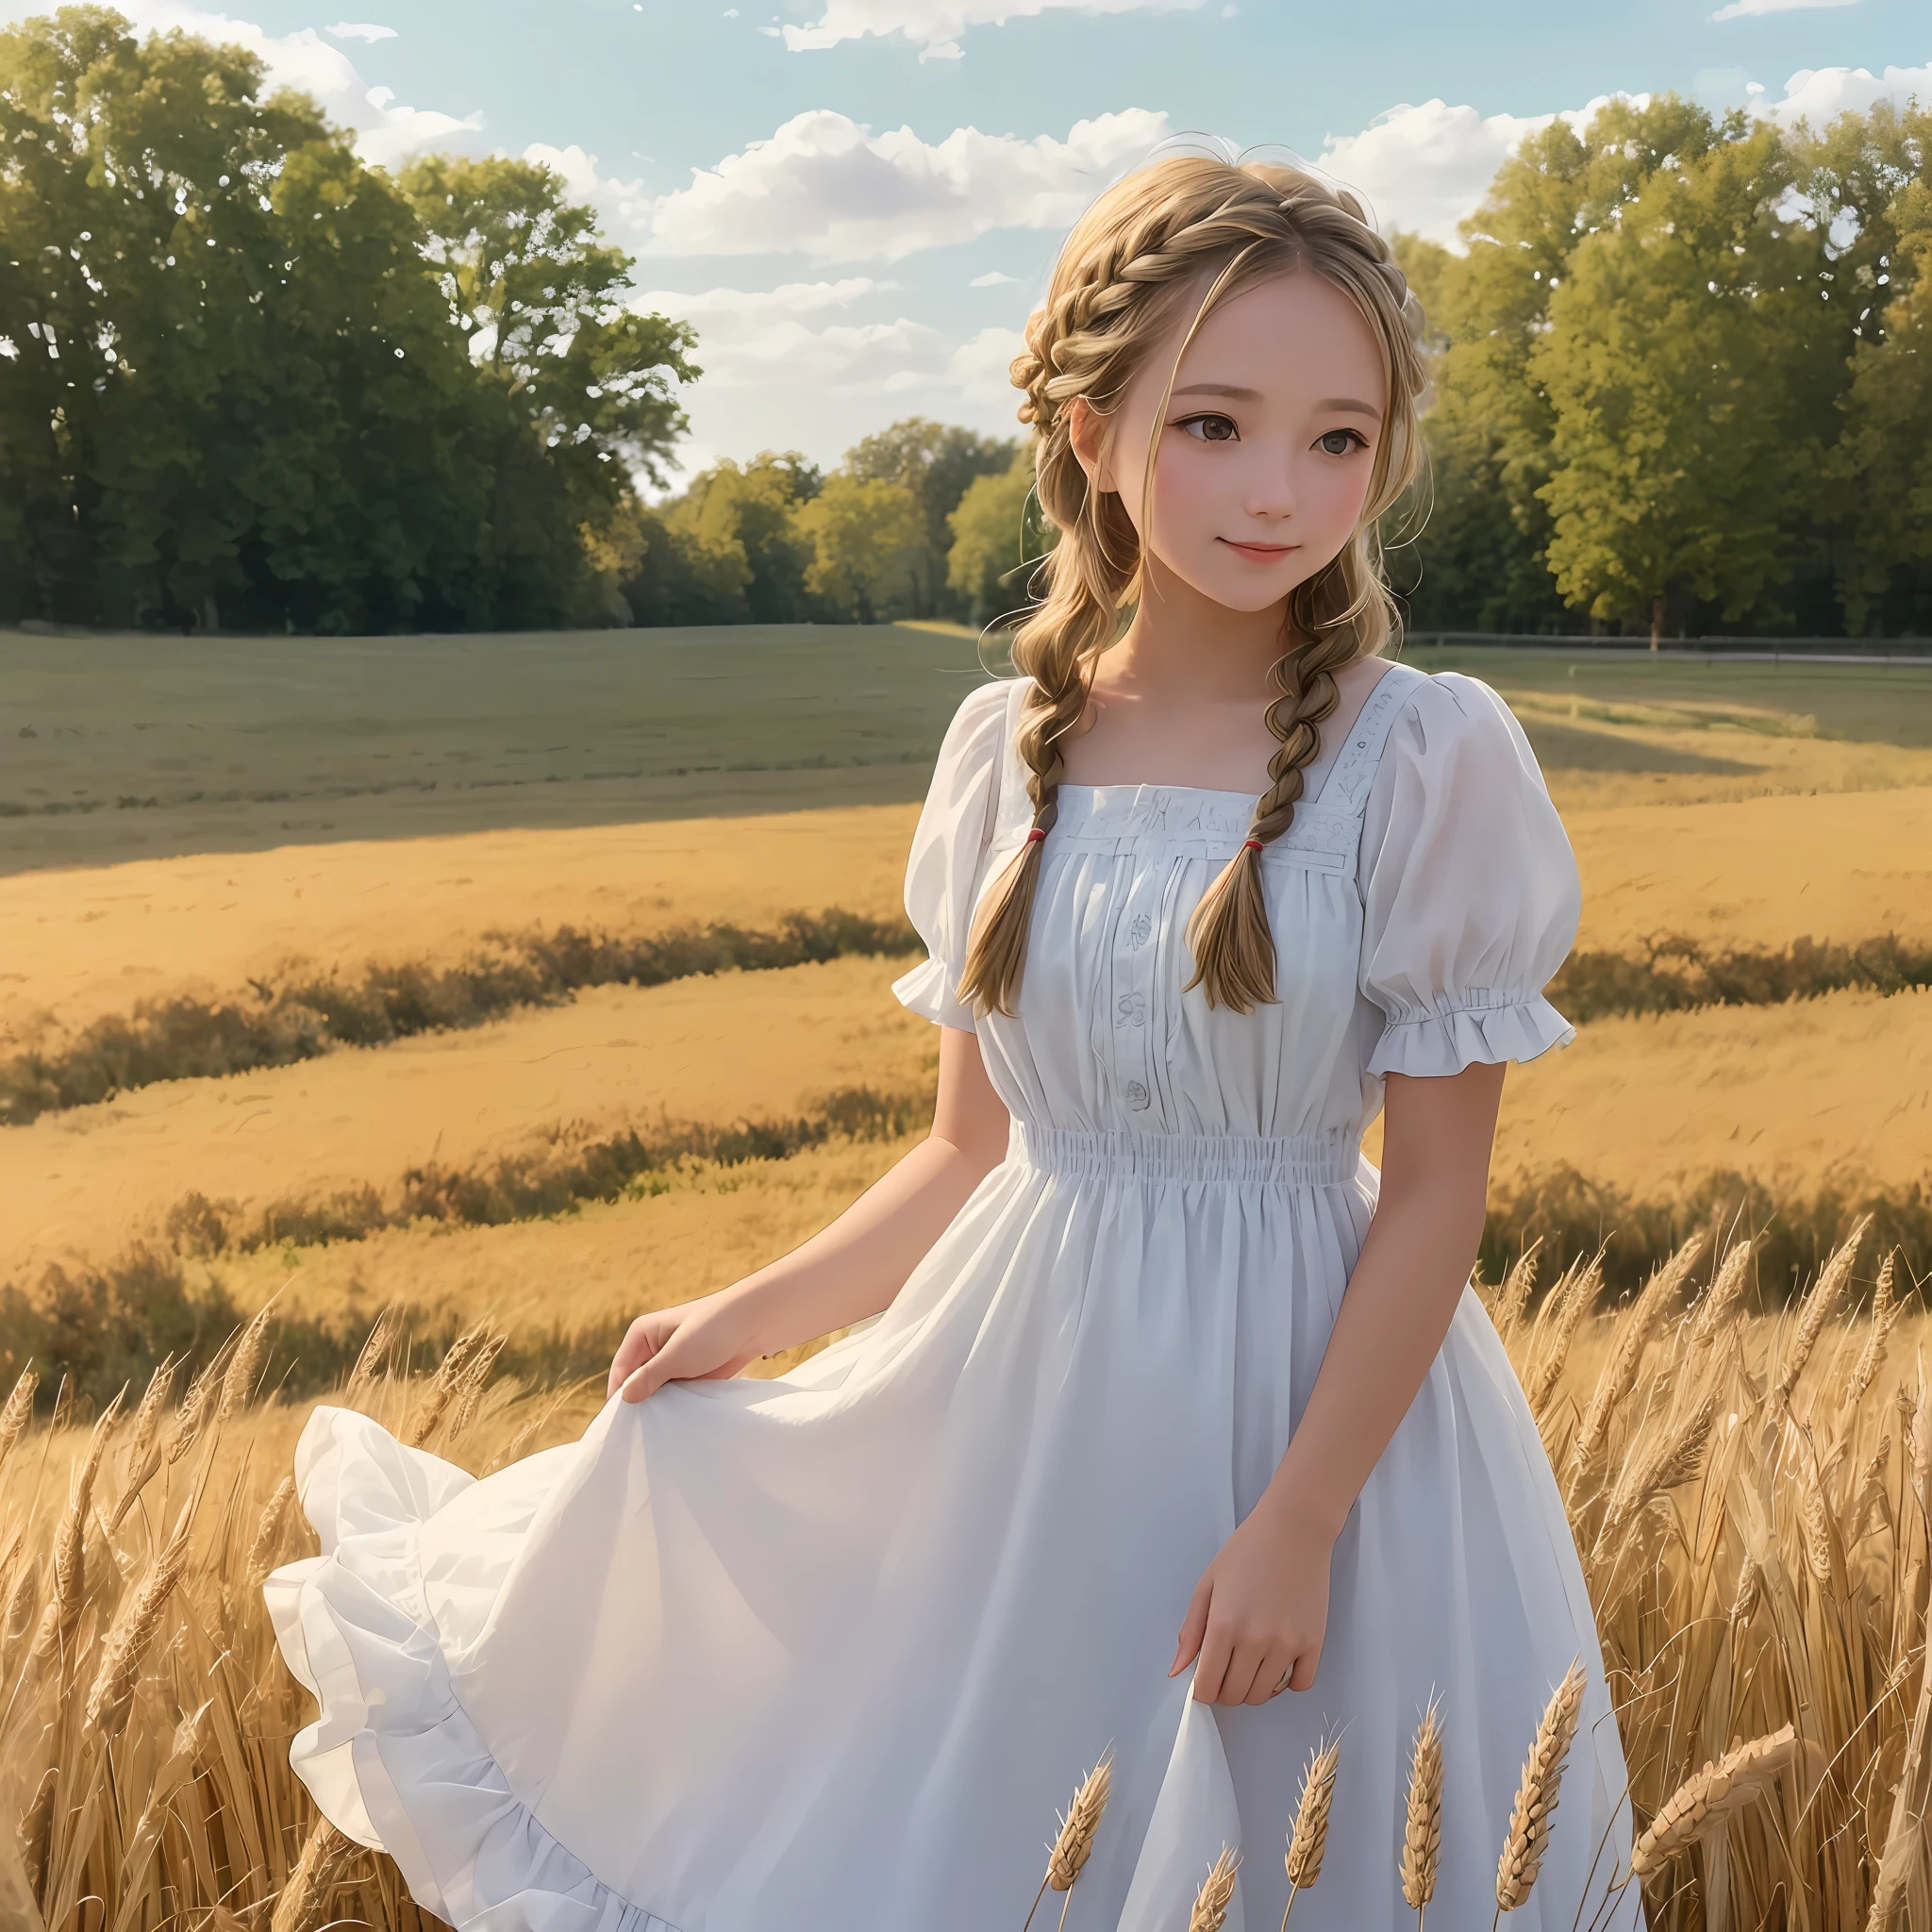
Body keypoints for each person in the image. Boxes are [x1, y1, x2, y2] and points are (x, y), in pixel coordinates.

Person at [267, 153, 1643, 1932]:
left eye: (1339, 440)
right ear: (1092, 428)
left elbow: (1437, 1198)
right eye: (1216, 423)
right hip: (1019, 1397)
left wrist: (1302, 1520)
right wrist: (746, 1319)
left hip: (1320, 1416)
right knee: (975, 1843)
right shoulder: (1011, 746)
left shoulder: (1430, 757)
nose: (1278, 489)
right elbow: (964, 1150)